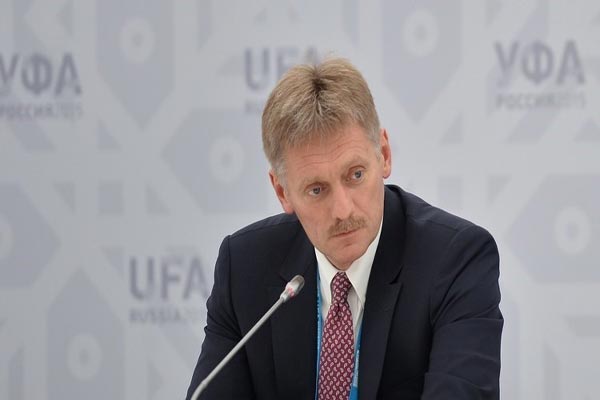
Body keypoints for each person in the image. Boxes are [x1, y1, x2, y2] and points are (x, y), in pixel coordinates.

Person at [186, 58, 503, 400]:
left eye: (355, 175)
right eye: (317, 190)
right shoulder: (244, 267)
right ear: (282, 192)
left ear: (384, 154)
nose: (343, 210)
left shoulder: (455, 260)